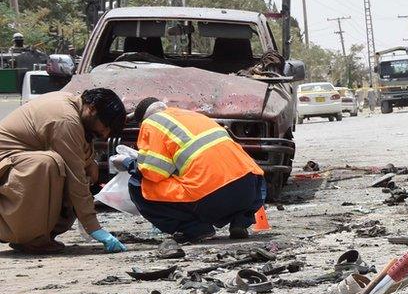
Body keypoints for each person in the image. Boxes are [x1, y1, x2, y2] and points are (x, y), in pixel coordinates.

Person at [112, 98, 266, 244]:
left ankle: (196, 229)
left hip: (210, 197)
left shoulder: (151, 123)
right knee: (253, 172)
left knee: (137, 184)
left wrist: (128, 163)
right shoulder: (195, 116)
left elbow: (153, 173)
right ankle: (240, 222)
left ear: (142, 121)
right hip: (248, 189)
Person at [0, 88, 128, 254]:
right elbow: (76, 176)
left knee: (76, 170)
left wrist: (91, 163)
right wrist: (94, 228)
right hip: (7, 174)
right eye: (105, 126)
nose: (104, 134)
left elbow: (79, 156)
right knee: (48, 164)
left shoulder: (74, 108)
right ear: (92, 108)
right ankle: (28, 237)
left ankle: (40, 234)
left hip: (16, 166)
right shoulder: (65, 120)